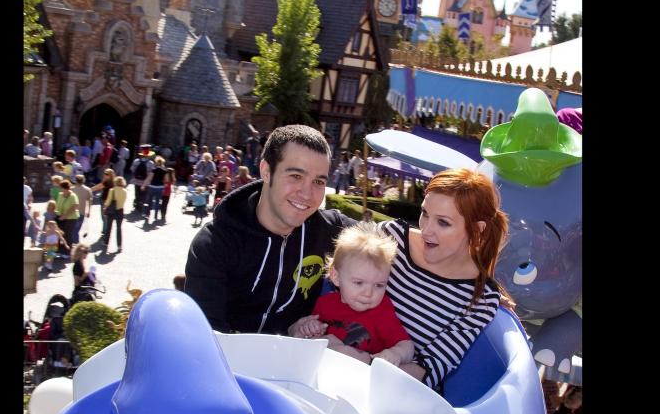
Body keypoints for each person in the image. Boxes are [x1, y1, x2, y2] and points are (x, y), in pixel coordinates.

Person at [185, 124, 356, 334]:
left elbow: (394, 239)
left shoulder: (329, 230)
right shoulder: (215, 243)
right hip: (229, 362)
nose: (307, 194)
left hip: (296, 361)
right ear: (266, 171)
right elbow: (207, 335)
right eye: (295, 176)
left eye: (319, 181)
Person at [379, 167, 510, 393]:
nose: (427, 230)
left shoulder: (481, 299)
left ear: (477, 231)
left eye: (443, 223)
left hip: (397, 393)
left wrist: (368, 371)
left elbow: (430, 368)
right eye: (425, 214)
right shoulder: (389, 239)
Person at [290, 222, 414, 367]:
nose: (368, 293)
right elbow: (307, 333)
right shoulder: (325, 303)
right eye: (359, 283)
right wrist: (310, 328)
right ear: (335, 277)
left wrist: (396, 353)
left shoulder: (381, 311)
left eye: (379, 285)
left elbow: (407, 345)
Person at [102, 176, 127, 254]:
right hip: (120, 210)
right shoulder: (124, 191)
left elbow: (108, 201)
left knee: (109, 227)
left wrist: (104, 208)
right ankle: (119, 245)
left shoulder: (112, 190)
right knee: (119, 228)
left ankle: (106, 242)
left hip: (112, 211)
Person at [55, 179, 81, 252]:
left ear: (66, 188)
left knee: (68, 234)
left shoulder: (73, 196)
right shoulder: (60, 195)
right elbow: (58, 205)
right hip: (60, 217)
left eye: (62, 188)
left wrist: (64, 216)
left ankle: (67, 252)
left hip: (70, 218)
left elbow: (74, 206)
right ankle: (59, 250)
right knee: (59, 234)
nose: (60, 189)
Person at [146, 156, 168, 224]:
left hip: (152, 186)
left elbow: (150, 178)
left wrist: (145, 184)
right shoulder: (164, 171)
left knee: (149, 201)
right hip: (160, 187)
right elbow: (166, 180)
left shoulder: (154, 170)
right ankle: (155, 215)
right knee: (158, 201)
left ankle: (148, 214)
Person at [71, 174, 93, 239]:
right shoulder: (88, 190)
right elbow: (90, 201)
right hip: (81, 211)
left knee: (72, 228)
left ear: (76, 180)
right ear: (83, 180)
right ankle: (75, 241)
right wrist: (89, 211)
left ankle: (74, 241)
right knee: (77, 228)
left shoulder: (72, 189)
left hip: (72, 211)